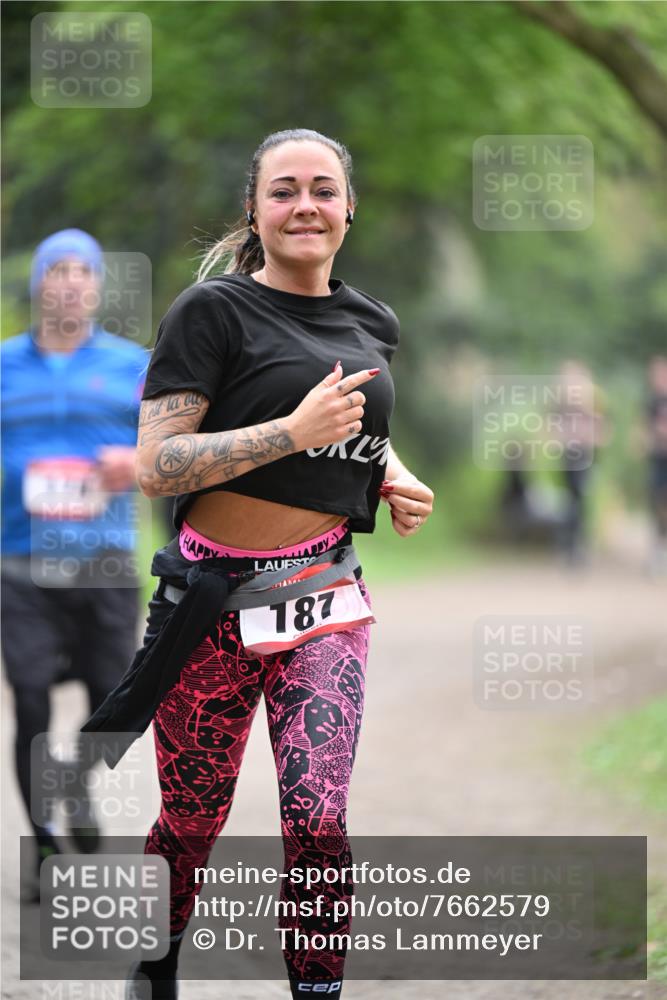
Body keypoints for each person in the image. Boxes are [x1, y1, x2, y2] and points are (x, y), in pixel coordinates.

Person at [83, 128, 434, 1000]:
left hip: (324, 597)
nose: (304, 205)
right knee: (191, 821)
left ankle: (316, 990)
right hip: (212, 603)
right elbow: (159, 464)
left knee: (317, 816)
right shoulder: (211, 313)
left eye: (322, 188)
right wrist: (289, 433)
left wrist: (390, 472)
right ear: (255, 209)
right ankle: (156, 960)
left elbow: (353, 430)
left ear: (349, 208)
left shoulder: (372, 320)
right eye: (283, 190)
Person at [0, 228, 147, 896]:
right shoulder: (4, 365)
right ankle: (44, 845)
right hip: (20, 562)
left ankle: (79, 784)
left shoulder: (132, 367)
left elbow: (175, 450)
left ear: (95, 286)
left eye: (79, 271)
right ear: (37, 284)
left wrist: (138, 464)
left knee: (112, 696)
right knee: (29, 702)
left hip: (103, 562)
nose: (67, 282)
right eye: (54, 270)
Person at [645, 356, 667, 574]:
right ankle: (659, 550)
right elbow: (644, 428)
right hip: (658, 459)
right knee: (657, 502)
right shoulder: (651, 401)